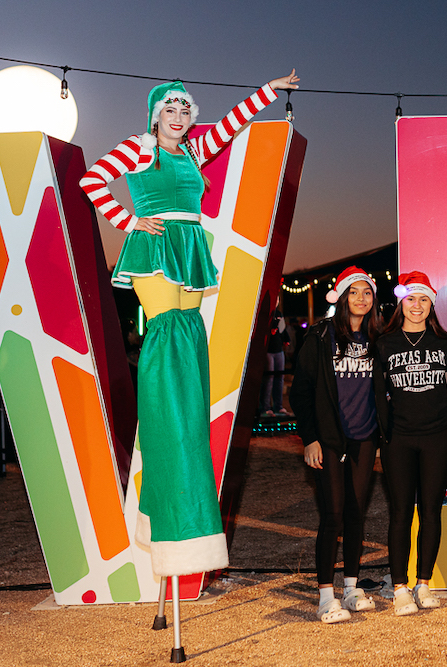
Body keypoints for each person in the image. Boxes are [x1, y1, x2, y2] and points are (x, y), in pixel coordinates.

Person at [79, 72, 299, 579]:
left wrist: (267, 87)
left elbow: (236, 122)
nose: (178, 119)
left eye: (185, 112)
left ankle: (183, 419)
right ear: (156, 115)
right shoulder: (139, 147)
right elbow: (92, 181)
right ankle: (168, 422)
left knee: (189, 335)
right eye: (170, 111)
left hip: (192, 248)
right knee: (167, 333)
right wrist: (127, 219)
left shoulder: (195, 150)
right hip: (157, 245)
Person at [290, 266, 388, 624]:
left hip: (364, 437)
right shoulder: (320, 336)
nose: (361, 299)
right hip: (329, 439)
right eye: (354, 292)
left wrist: (381, 436)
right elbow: (300, 391)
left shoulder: (379, 339)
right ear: (342, 296)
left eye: (367, 293)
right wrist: (310, 437)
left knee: (355, 513)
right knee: (331, 515)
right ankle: (325, 595)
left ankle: (350, 588)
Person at [375, 272, 447, 616]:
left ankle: (423, 584)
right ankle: (399, 587)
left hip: (438, 437)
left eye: (424, 299)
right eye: (411, 298)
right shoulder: (384, 344)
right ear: (401, 302)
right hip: (398, 438)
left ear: (432, 304)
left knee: (431, 512)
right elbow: (375, 396)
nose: (417, 305)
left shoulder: (445, 343)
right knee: (400, 512)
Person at [262, 300, 288, 415]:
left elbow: (282, 329)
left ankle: (278, 406)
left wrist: (287, 339)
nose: (276, 301)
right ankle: (266, 407)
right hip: (268, 350)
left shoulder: (279, 314)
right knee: (269, 379)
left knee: (279, 379)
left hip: (279, 350)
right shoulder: (264, 313)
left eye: (278, 299)